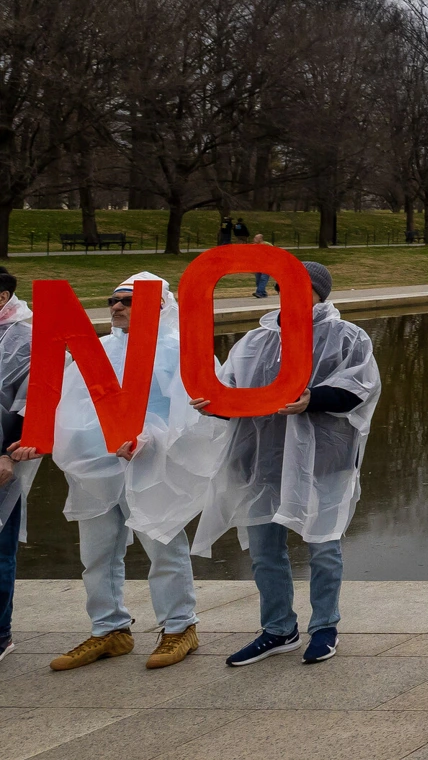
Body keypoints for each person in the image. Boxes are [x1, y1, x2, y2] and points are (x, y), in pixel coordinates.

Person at [192, 262, 381, 667]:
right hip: (260, 463)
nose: (289, 295)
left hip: (323, 462)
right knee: (264, 551)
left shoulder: (347, 337)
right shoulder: (255, 341)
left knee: (323, 546)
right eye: (283, 287)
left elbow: (359, 389)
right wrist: (214, 405)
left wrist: (314, 398)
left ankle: (325, 626)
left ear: (320, 293)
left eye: (301, 288)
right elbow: (233, 392)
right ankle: (278, 628)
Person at [36, 273, 219, 671]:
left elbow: (200, 412)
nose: (116, 306)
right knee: (97, 554)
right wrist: (39, 439)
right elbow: (67, 408)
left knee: (163, 546)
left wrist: (151, 439)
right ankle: (109, 629)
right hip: (98, 469)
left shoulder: (179, 350)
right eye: (112, 300)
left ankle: (180, 626)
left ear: (157, 306)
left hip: (153, 467)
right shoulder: (95, 352)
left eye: (127, 300)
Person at [0, 269, 24, 664]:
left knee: (0, 547)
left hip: (3, 455)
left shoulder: (24, 337)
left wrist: (6, 452)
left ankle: (0, 634)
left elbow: (30, 401)